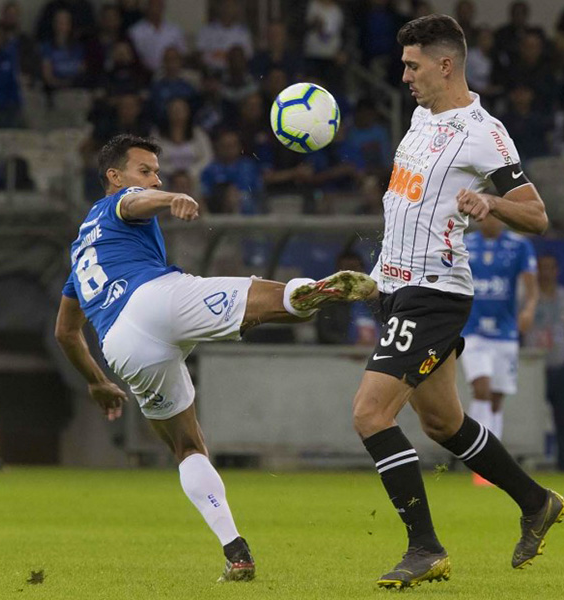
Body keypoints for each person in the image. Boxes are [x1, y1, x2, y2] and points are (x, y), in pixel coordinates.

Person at [54, 133, 376, 583]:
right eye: (144, 169)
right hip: (153, 300)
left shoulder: (81, 250)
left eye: (157, 171)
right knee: (261, 298)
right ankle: (306, 295)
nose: (153, 177)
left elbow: (66, 332)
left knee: (187, 447)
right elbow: (134, 203)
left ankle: (235, 552)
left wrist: (96, 381)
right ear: (114, 175)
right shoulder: (118, 202)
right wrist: (172, 196)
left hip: (121, 348)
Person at [342, 14, 564, 590]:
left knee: (370, 414)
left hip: (435, 296)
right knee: (443, 421)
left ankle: (424, 548)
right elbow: (408, 210)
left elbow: (537, 214)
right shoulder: (418, 119)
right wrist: (372, 280)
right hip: (397, 290)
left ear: (446, 65)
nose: (405, 75)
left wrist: (492, 205)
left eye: (413, 65)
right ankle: (536, 501)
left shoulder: (483, 132)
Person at [460, 215, 538, 470]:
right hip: (472, 330)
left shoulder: (519, 245)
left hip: (505, 332)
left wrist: (528, 309)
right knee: (480, 388)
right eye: (484, 216)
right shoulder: (465, 243)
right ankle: (476, 456)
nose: (489, 221)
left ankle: (492, 460)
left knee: (496, 397)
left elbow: (531, 285)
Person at [523, 254, 564, 472]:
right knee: (529, 418)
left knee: (563, 419)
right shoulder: (528, 300)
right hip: (533, 369)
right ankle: (528, 461)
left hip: (559, 367)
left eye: (550, 268)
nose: (546, 272)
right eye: (542, 268)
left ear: (556, 271)